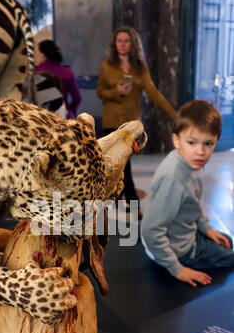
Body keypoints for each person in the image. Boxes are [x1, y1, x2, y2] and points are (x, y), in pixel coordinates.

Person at [141, 99, 234, 287]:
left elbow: (194, 200)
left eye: (208, 143)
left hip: (183, 233)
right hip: (177, 251)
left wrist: (206, 229)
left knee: (228, 240)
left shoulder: (190, 161)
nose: (201, 151)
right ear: (176, 140)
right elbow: (150, 231)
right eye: (192, 142)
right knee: (231, 256)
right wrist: (178, 269)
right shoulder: (174, 179)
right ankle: (187, 256)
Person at [97, 26, 176, 217]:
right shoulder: (107, 66)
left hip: (131, 126)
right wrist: (117, 91)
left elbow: (154, 93)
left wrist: (174, 114)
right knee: (118, 166)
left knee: (125, 165)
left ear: (132, 44)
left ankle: (121, 198)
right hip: (111, 124)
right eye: (119, 41)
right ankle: (130, 203)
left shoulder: (140, 68)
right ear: (114, 44)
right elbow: (100, 93)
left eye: (126, 41)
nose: (122, 44)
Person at [35, 39, 82, 119]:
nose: (35, 56)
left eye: (36, 53)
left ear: (43, 54)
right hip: (64, 117)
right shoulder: (67, 72)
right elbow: (77, 97)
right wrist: (70, 111)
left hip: (41, 118)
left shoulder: (36, 71)